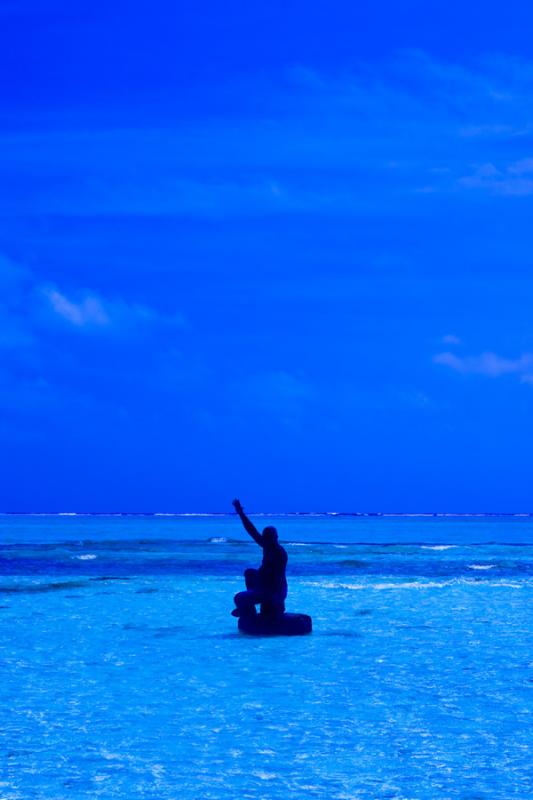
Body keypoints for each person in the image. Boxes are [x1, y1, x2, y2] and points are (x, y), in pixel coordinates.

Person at [231, 498, 288, 620]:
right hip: (265, 587)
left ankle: (251, 607)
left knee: (239, 598)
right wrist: (240, 512)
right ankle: (249, 610)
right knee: (250, 572)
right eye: (265, 537)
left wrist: (274, 600)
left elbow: (278, 580)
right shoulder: (267, 546)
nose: (266, 540)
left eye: (269, 538)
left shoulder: (279, 553)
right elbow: (252, 531)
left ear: (276, 537)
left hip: (274, 591)